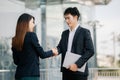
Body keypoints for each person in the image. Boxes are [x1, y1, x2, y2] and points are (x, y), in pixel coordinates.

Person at [11, 13, 58, 80]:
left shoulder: (15, 39)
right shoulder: (31, 36)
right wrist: (52, 51)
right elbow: (42, 54)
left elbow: (16, 61)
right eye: (32, 22)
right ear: (26, 23)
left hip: (19, 75)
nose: (34, 25)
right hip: (31, 75)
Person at [57, 7, 94, 80]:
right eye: (65, 19)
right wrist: (54, 50)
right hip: (66, 72)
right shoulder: (64, 33)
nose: (67, 21)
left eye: (68, 18)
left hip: (79, 72)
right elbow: (60, 47)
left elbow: (90, 51)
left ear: (75, 17)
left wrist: (77, 64)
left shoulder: (84, 32)